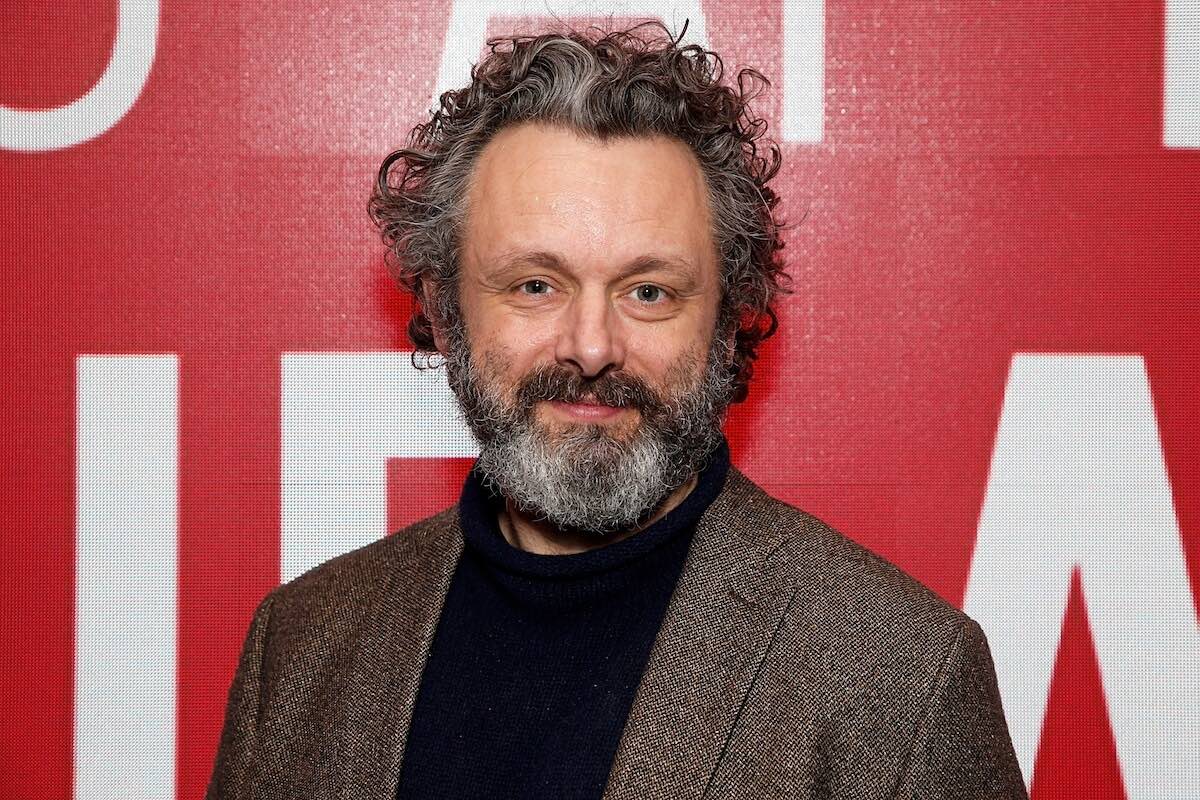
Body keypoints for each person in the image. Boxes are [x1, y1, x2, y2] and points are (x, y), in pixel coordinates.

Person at [207, 22, 1027, 800]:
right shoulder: (302, 647)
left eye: (648, 291)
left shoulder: (898, 675)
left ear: (728, 313)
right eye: (536, 284)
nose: (591, 346)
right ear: (445, 305)